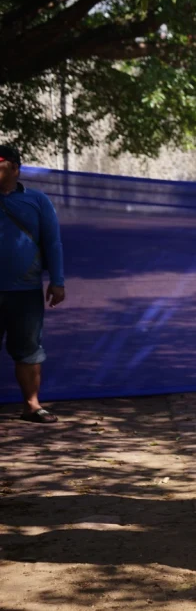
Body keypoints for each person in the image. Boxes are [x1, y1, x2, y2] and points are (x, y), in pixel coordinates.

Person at [0, 145, 65, 424]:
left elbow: (52, 242)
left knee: (29, 349)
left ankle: (32, 406)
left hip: (25, 291)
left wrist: (57, 281)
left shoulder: (37, 201)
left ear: (15, 168)